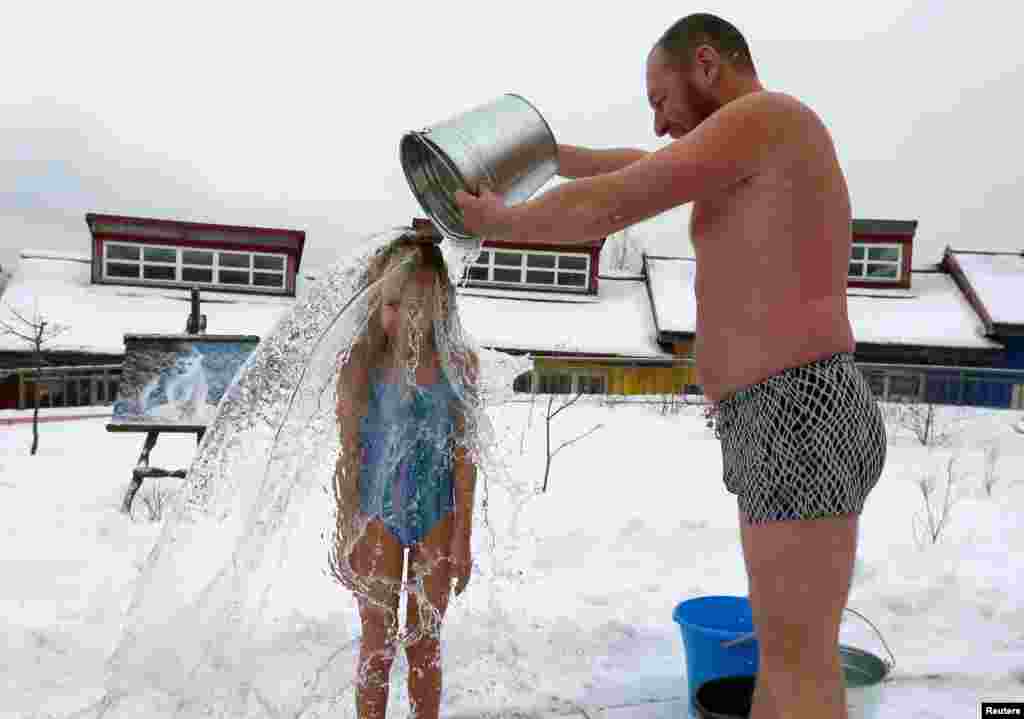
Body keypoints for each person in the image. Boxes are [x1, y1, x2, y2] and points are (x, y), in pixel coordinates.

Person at [455, 13, 886, 719]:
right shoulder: (746, 150)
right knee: (782, 660)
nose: (657, 123)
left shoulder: (770, 118)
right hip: (777, 414)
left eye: (661, 99)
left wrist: (501, 224)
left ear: (708, 64)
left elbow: (615, 199)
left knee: (798, 662)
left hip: (799, 407)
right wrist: (546, 154)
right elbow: (626, 166)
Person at [330, 235, 478, 719]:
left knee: (425, 643)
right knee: (377, 644)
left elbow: (465, 455)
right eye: (393, 304)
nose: (406, 318)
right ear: (375, 301)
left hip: (437, 515)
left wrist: (463, 535)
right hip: (376, 515)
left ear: (441, 305)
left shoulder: (460, 366)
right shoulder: (359, 365)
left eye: (419, 306)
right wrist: (346, 525)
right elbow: (349, 455)